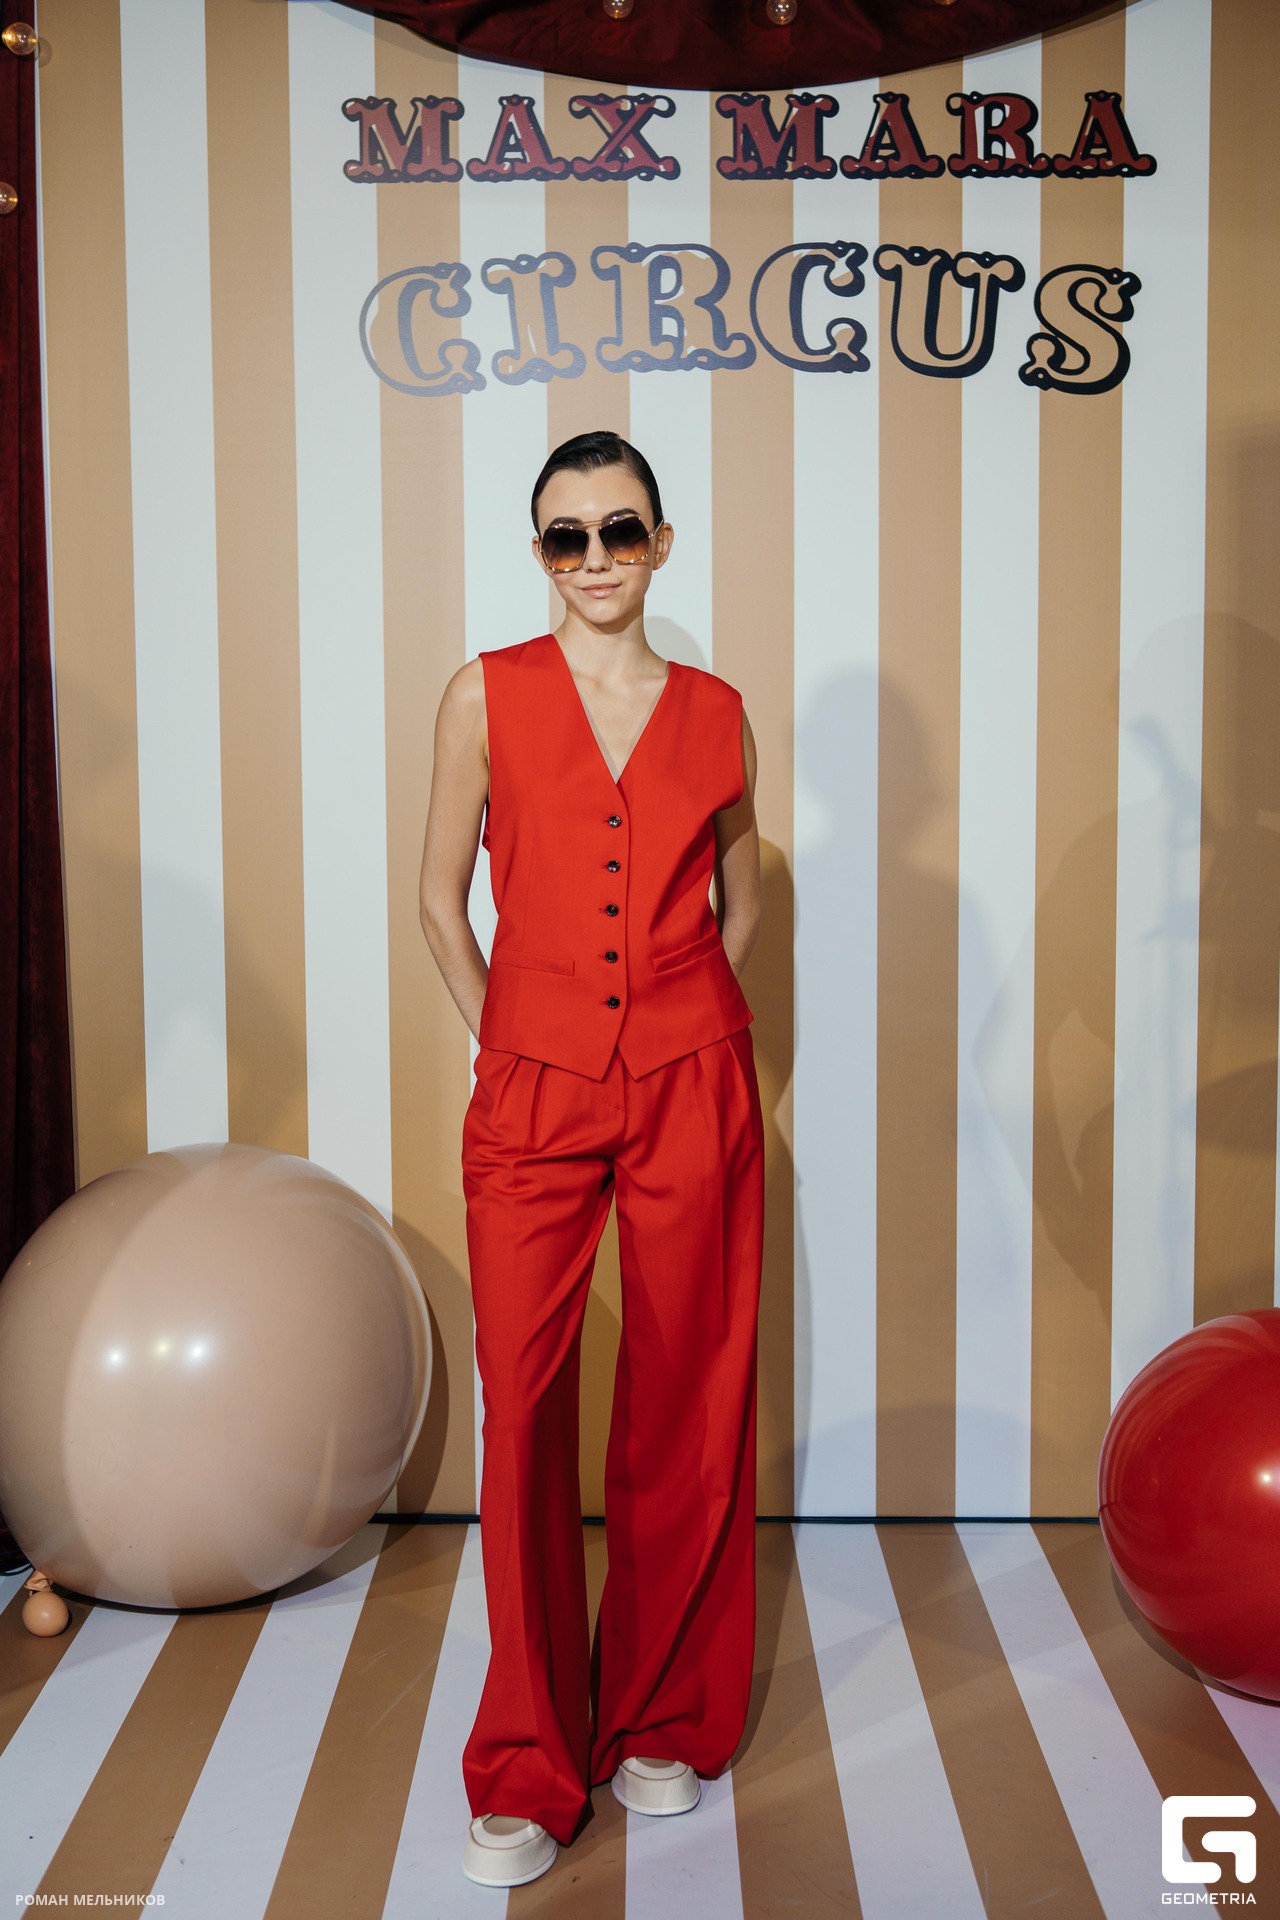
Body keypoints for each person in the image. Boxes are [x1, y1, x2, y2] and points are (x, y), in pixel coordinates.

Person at [418, 429, 766, 1890]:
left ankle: (662, 1717)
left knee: (688, 1397)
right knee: (523, 1412)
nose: (598, 559)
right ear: (540, 553)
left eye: (622, 530)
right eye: (568, 536)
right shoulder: (484, 695)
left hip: (693, 1081)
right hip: (533, 1093)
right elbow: (440, 903)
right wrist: (512, 1040)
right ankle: (526, 1759)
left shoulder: (718, 713)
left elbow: (743, 899)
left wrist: (688, 1018)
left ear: (662, 541)